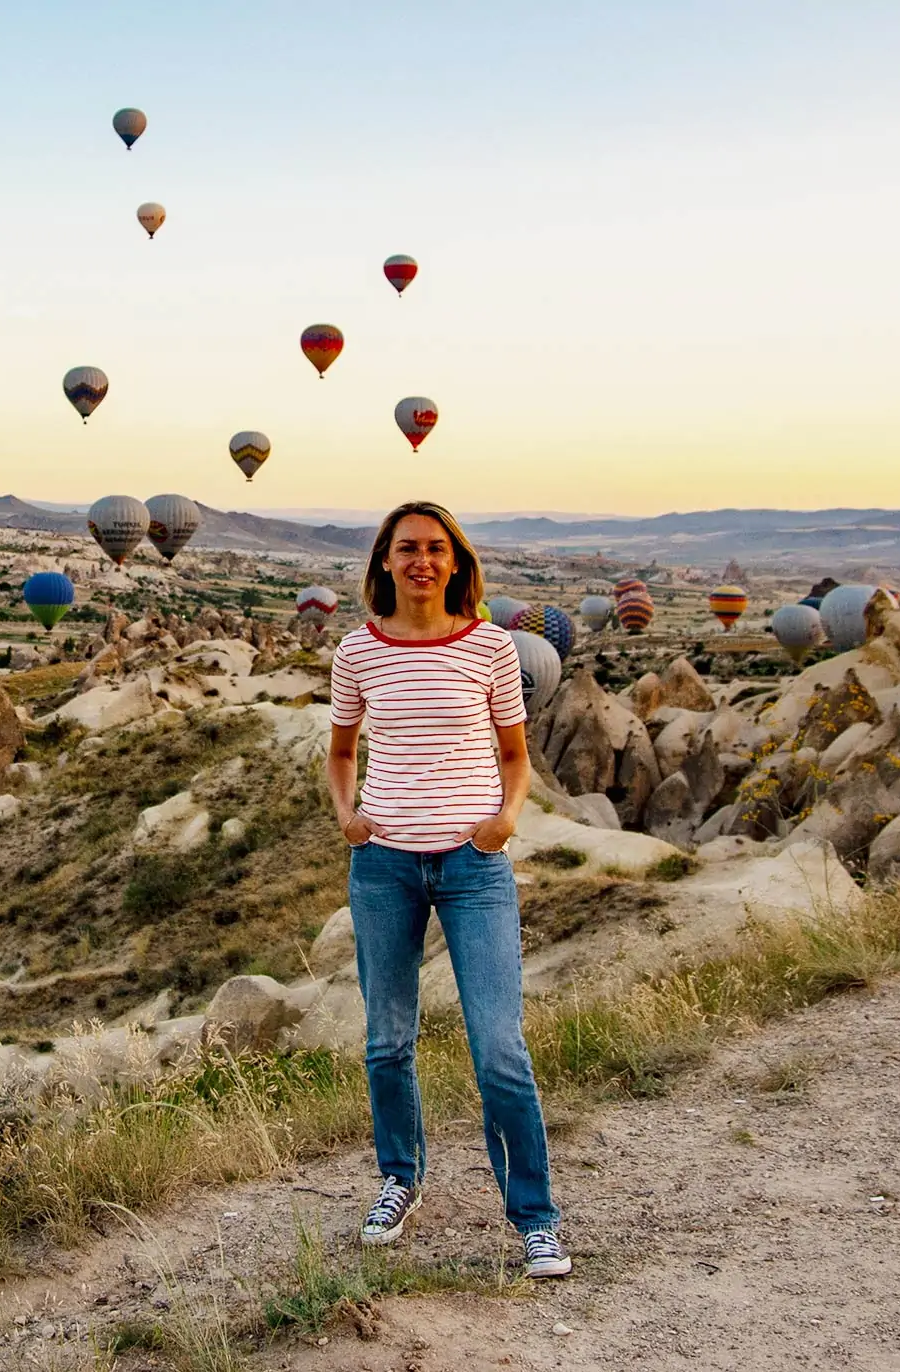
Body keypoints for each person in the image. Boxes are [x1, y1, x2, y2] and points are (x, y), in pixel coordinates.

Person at [324, 500, 568, 1279]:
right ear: (386, 562)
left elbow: (515, 754)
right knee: (387, 1042)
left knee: (499, 1049)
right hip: (385, 865)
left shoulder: (493, 646)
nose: (421, 561)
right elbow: (339, 749)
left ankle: (535, 1218)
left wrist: (506, 819)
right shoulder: (358, 651)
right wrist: (347, 814)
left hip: (472, 865)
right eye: (407, 549)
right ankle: (400, 1180)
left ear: (456, 561)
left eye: (435, 548)